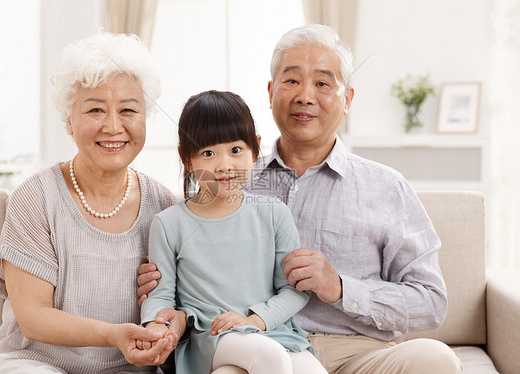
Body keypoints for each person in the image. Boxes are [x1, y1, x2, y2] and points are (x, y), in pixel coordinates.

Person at [139, 25, 463, 373]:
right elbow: (185, 256)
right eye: (291, 80)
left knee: (437, 360)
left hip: (358, 353)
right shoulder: (227, 179)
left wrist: (340, 287)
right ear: (270, 91)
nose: (305, 96)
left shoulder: (386, 188)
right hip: (254, 344)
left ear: (348, 100)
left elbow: (431, 302)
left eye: (322, 83)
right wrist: (159, 296)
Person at [0, 32, 187, 374]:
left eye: (128, 110)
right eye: (95, 109)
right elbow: (33, 318)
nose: (113, 126)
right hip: (31, 362)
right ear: (69, 121)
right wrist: (114, 335)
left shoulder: (164, 205)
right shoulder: (36, 197)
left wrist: (174, 322)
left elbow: (180, 300)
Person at [140, 90, 327, 374]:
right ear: (187, 159)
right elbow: (161, 296)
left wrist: (255, 321)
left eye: (236, 150)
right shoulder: (168, 224)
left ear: (255, 149)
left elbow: (294, 291)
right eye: (208, 153)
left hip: (270, 331)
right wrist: (155, 322)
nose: (224, 164)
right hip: (210, 337)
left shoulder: (274, 213)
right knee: (270, 357)